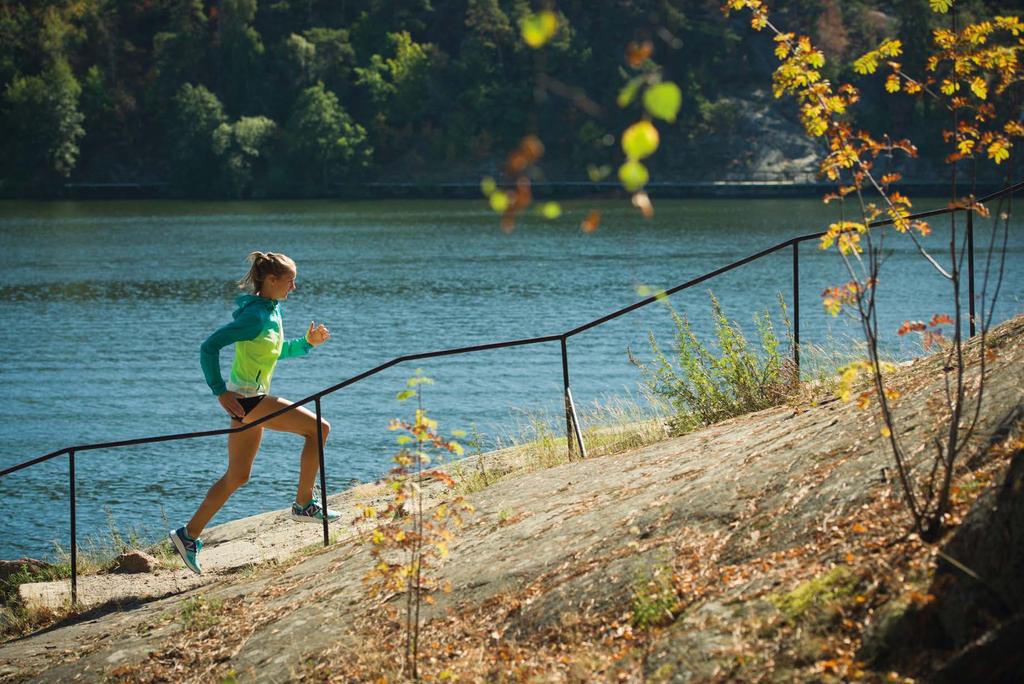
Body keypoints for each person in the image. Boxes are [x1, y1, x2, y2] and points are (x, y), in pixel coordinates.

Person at [170, 251, 339, 574]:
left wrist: (307, 343)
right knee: (319, 429)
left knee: (238, 475)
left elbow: (275, 351)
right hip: (247, 401)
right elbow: (209, 347)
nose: (295, 287)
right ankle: (304, 504)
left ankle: (187, 535)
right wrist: (219, 390)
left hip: (247, 403)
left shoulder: (269, 312)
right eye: (290, 281)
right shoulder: (254, 318)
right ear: (271, 280)